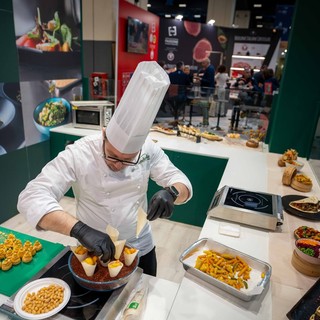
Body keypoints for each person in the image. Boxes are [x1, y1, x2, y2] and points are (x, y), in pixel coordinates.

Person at [17, 61, 193, 277]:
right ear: (103, 134)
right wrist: (79, 230)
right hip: (95, 251)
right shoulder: (79, 153)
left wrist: (172, 193)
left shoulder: (148, 149)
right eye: (112, 155)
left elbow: (180, 181)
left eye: (128, 160)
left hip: (140, 246)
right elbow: (31, 197)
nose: (118, 165)